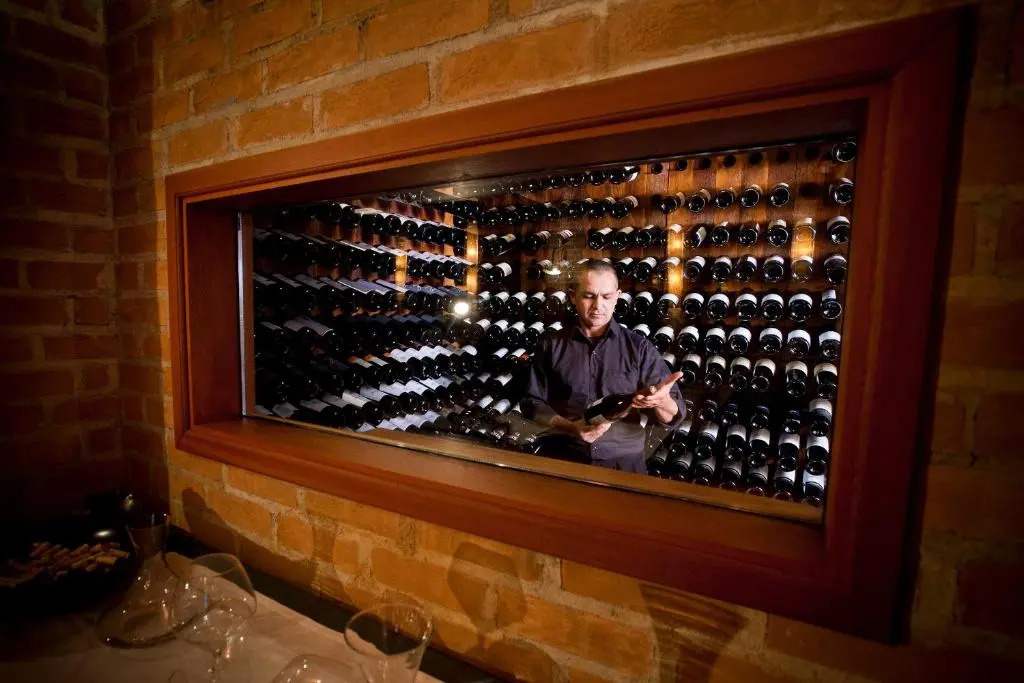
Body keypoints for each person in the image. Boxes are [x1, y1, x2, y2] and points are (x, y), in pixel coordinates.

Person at [524, 260, 686, 471]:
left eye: (607, 297)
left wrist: (662, 402)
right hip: (565, 459)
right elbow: (532, 402)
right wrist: (571, 427)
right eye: (588, 296)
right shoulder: (551, 345)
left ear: (617, 297)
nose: (598, 306)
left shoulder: (639, 348)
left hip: (624, 465)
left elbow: (674, 416)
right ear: (572, 296)